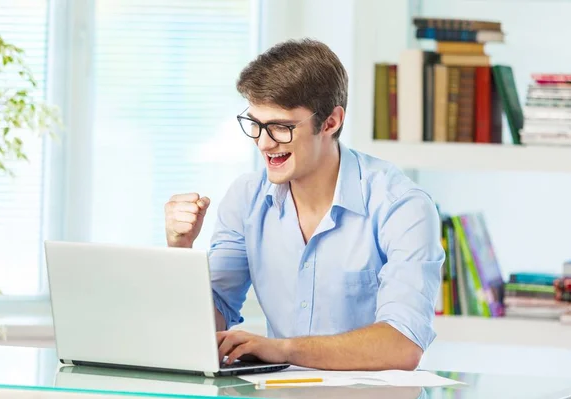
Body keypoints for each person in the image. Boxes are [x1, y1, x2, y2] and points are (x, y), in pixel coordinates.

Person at [164, 38, 445, 371]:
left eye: (281, 127)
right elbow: (208, 324)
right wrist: (180, 250)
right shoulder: (246, 198)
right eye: (255, 124)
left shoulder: (402, 206)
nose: (264, 143)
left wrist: (284, 349)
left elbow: (403, 345)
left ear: (330, 122)